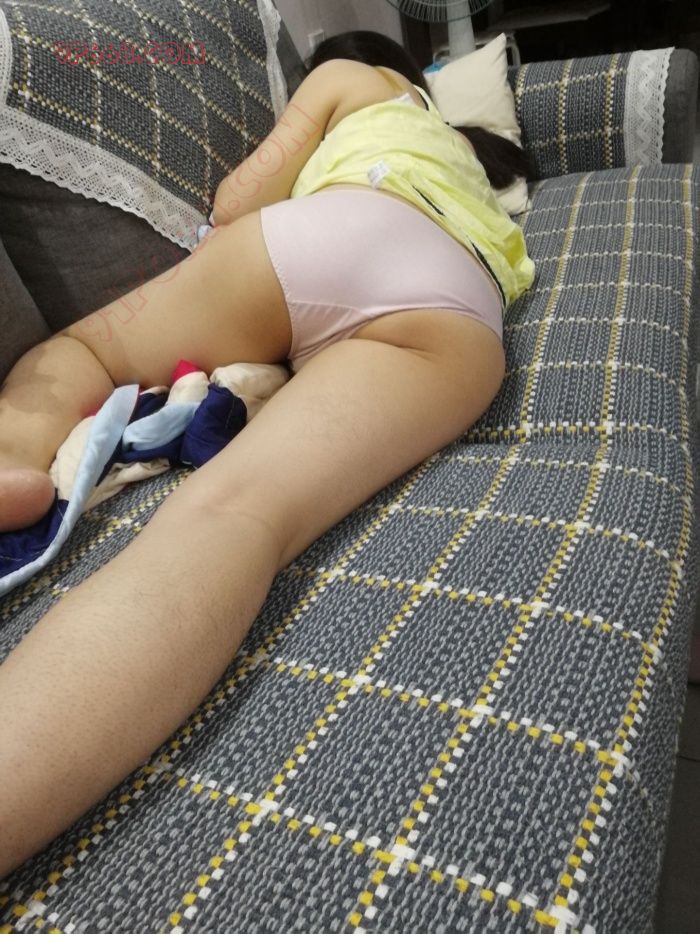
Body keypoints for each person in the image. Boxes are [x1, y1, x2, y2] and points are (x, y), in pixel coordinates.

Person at [0, 31, 534, 878]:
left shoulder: (352, 75)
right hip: (454, 304)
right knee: (235, 516)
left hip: (330, 233)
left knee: (79, 354)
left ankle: (16, 463)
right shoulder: (473, 163)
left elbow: (242, 196)